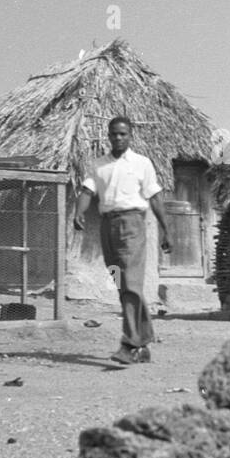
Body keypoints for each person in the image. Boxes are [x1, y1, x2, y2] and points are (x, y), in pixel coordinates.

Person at [73, 117, 171, 365]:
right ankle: (144, 341)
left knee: (130, 283)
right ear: (108, 136)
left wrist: (166, 229)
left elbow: (155, 197)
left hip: (132, 226)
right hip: (108, 227)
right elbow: (87, 192)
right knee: (120, 282)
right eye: (114, 134)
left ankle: (129, 344)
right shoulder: (99, 165)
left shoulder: (141, 164)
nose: (118, 138)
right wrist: (79, 212)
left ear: (130, 136)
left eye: (123, 134)